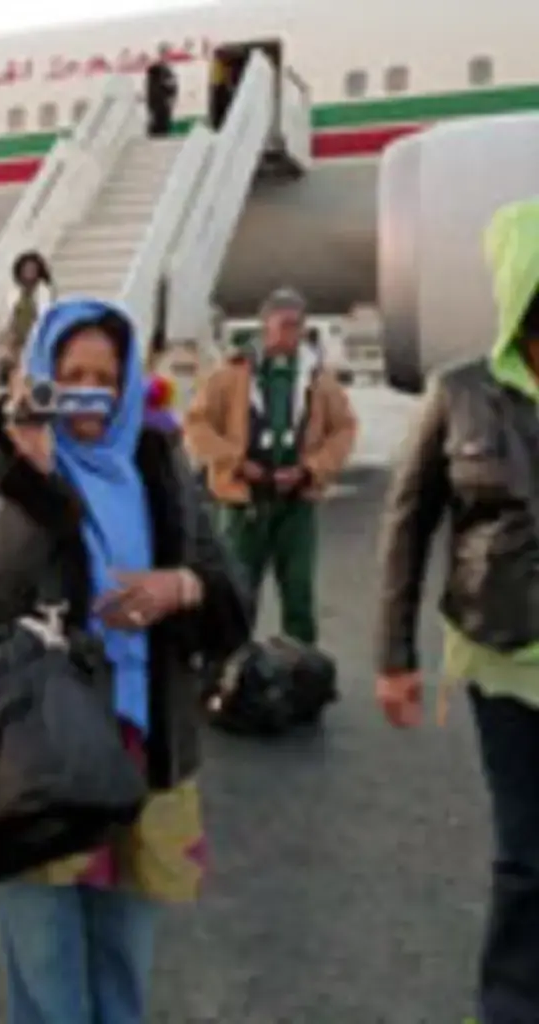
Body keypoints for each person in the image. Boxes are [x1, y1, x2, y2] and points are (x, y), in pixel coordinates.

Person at [0, 298, 250, 1022]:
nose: (88, 394)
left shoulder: (156, 460)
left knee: (123, 965)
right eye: (69, 374)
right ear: (37, 376)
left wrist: (184, 586)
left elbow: (231, 601)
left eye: (105, 378)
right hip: (35, 756)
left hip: (142, 749)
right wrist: (34, 479)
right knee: (47, 979)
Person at [375, 198, 539, 1024]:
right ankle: (511, 1003)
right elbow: (407, 524)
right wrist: (393, 656)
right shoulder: (462, 392)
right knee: (525, 852)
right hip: (504, 656)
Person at [183, 286, 356, 645]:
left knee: (298, 593)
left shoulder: (317, 379)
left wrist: (311, 468)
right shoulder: (231, 375)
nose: (288, 334)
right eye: (282, 325)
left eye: (295, 326)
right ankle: (231, 668)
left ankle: (302, 668)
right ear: (265, 325)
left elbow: (343, 429)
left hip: (296, 503)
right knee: (237, 589)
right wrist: (235, 461)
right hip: (244, 502)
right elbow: (197, 424)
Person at [0, 251, 56, 381]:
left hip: (36, 338)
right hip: (17, 339)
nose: (29, 272)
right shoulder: (14, 293)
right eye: (26, 269)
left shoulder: (44, 291)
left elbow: (45, 315)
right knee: (16, 370)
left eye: (32, 269)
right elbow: (8, 318)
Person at [145, 44, 179, 138]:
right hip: (160, 101)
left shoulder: (162, 69)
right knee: (160, 122)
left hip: (160, 101)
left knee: (159, 121)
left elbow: (170, 85)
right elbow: (169, 85)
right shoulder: (159, 69)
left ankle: (155, 134)